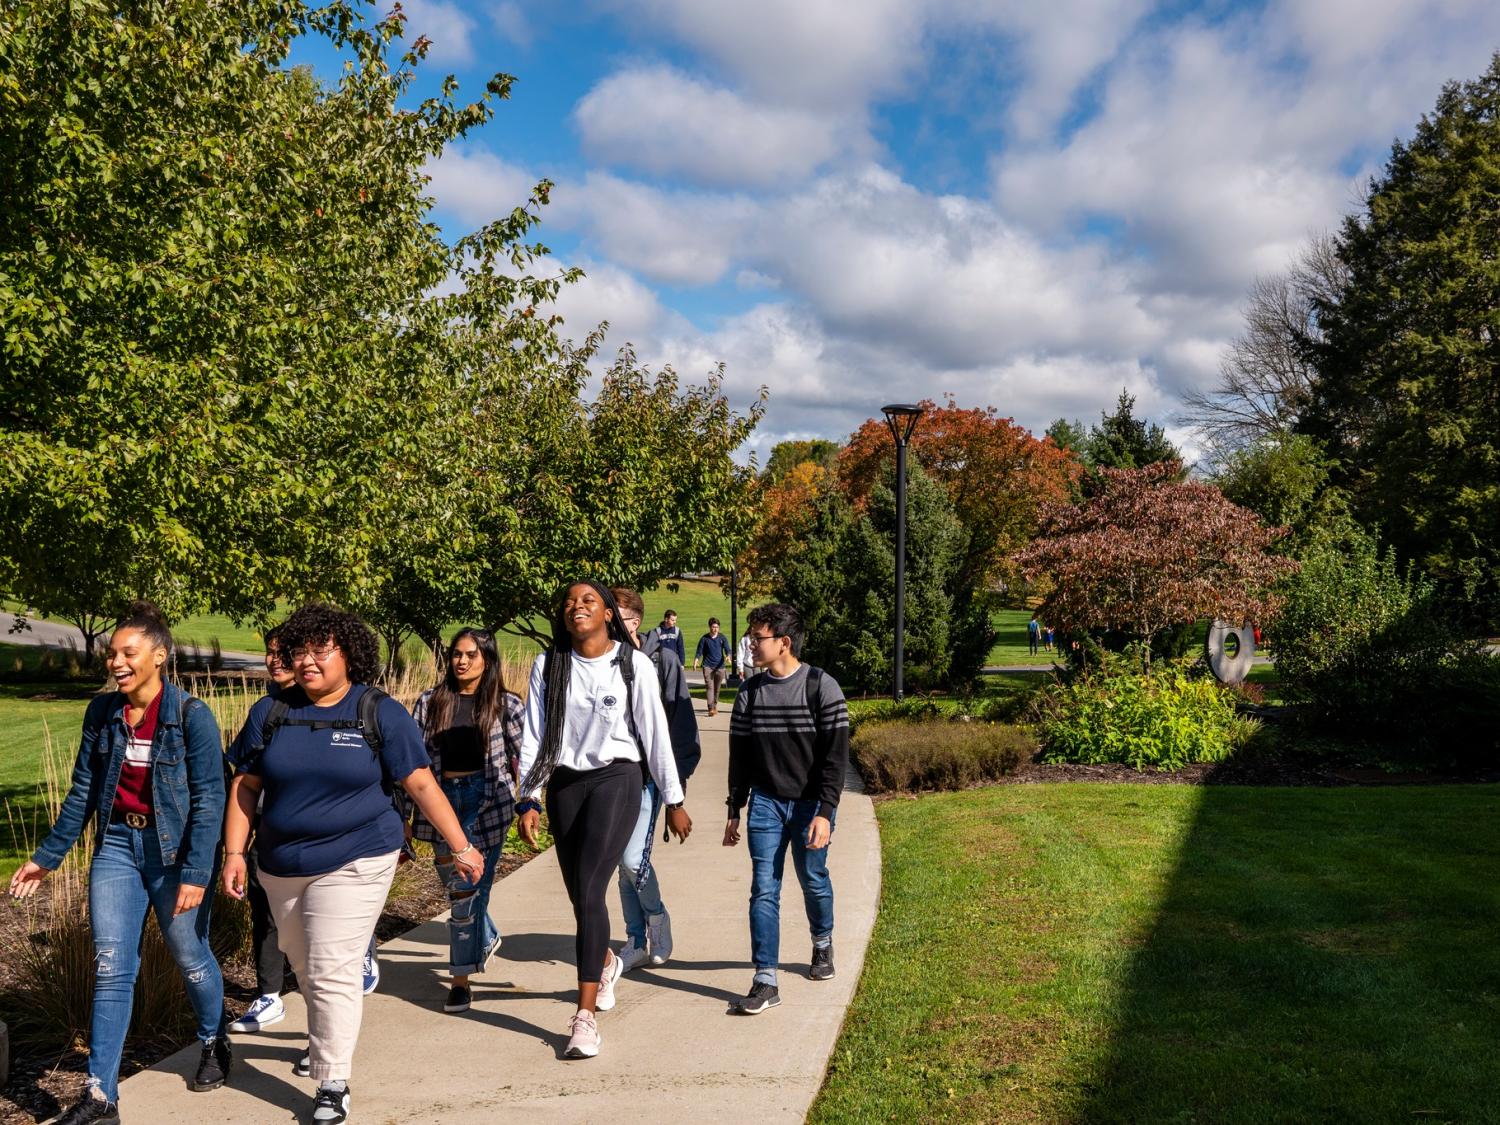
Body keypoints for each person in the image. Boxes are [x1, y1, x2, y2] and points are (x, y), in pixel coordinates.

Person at [221, 603, 483, 1125]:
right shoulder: (269, 714)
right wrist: (234, 852)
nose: (309, 660)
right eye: (301, 651)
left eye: (322, 650)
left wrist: (461, 845)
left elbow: (420, 782)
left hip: (358, 854)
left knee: (331, 966)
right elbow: (246, 785)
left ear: (349, 654)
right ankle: (324, 1042)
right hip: (279, 862)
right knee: (303, 960)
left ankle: (331, 1080)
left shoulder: (378, 711)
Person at [9, 602, 230, 1125]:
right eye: (112, 653)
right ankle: (101, 1096)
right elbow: (84, 790)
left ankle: (213, 1038)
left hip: (173, 854)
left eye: (127, 652)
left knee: (189, 954)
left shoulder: (190, 717)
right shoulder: (102, 714)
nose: (116, 662)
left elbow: (209, 801)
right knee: (112, 967)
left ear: (159, 656)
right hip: (116, 849)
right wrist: (49, 855)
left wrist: (198, 874)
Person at [515, 581, 692, 1060]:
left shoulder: (633, 665)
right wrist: (527, 796)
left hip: (618, 778)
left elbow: (655, 733)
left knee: (592, 888)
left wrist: (673, 799)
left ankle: (583, 1018)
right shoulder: (548, 666)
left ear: (610, 614)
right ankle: (607, 958)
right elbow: (535, 733)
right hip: (566, 786)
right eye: (570, 602)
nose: (577, 608)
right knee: (579, 895)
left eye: (588, 601)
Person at [723, 603, 850, 1016]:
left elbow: (835, 759)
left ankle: (821, 942)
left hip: (811, 803)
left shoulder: (821, 687)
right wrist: (734, 807)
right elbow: (739, 755)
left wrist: (825, 811)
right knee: (764, 887)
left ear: (784, 642)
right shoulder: (750, 692)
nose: (750, 645)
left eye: (757, 638)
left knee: (812, 877)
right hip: (765, 803)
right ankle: (765, 979)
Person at [397, 627, 520, 1014]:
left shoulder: (506, 704)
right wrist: (403, 812)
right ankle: (487, 933)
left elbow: (530, 756)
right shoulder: (431, 701)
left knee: (465, 894)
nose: (462, 661)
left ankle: (460, 981)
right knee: (461, 890)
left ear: (487, 660)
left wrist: (531, 802)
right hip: (441, 802)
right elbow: (410, 763)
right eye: (456, 654)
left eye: (471, 655)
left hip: (488, 802)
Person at [611, 587, 700, 971]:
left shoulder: (661, 661)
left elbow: (681, 729)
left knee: (633, 859)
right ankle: (634, 939)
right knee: (621, 862)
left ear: (632, 621)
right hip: (609, 779)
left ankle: (657, 918)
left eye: (612, 617)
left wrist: (675, 792)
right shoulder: (602, 660)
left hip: (647, 777)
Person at [227, 626, 297, 1035]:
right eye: (269, 652)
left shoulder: (330, 705)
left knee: (316, 923)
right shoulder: (264, 710)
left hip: (320, 838)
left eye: (282, 652)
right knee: (266, 914)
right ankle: (269, 994)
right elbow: (241, 773)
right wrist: (236, 845)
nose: (273, 660)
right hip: (268, 831)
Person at [693, 618, 732, 717]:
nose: (715, 629)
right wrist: (696, 660)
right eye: (713, 627)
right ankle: (710, 708)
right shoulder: (704, 639)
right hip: (707, 666)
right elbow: (699, 651)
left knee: (717, 688)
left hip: (720, 667)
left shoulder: (722, 638)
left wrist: (728, 656)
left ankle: (714, 705)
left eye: (717, 627)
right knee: (710, 687)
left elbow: (728, 649)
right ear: (710, 627)